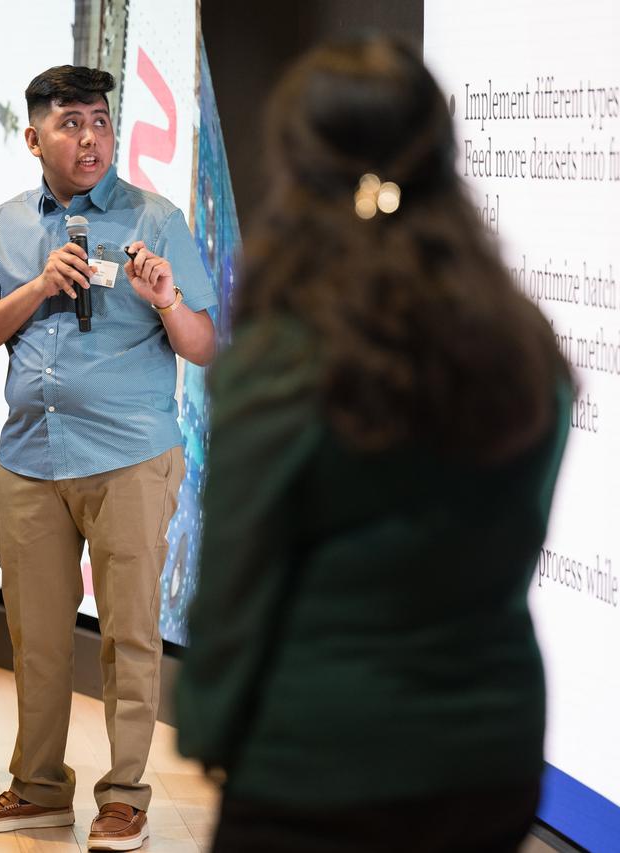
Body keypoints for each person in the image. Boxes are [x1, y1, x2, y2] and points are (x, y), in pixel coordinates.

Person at [174, 35, 574, 853]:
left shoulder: (284, 359)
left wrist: (208, 731)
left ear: (297, 170)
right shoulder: (523, 346)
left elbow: (235, 587)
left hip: (318, 770)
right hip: (490, 760)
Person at [0, 66, 216, 850]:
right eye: (69, 124)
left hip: (131, 458)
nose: (89, 137)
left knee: (130, 633)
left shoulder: (155, 218)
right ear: (34, 138)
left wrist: (166, 297)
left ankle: (125, 796)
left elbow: (204, 345)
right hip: (30, 458)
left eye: (99, 120)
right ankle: (37, 788)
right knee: (36, 635)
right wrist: (36, 289)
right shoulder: (3, 225)